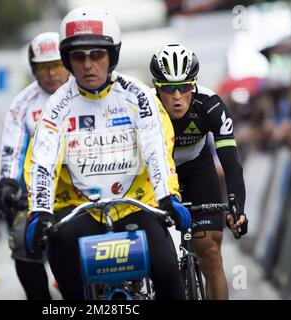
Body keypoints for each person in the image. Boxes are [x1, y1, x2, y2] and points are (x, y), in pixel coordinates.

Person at [24, 6, 191, 300]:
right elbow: (43, 161)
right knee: (60, 253)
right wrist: (39, 211)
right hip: (79, 207)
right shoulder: (57, 106)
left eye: (97, 55)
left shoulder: (138, 95)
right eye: (79, 56)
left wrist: (168, 196)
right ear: (68, 60)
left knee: (168, 274)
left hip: (136, 204)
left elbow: (156, 147)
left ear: (111, 56)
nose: (88, 65)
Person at [150, 43, 248, 299]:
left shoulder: (211, 105)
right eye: (169, 89)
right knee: (156, 259)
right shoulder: (144, 108)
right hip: (158, 175)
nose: (177, 96)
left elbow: (232, 165)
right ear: (156, 86)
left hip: (198, 170)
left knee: (211, 253)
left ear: (194, 84)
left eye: (184, 87)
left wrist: (237, 208)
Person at [0, 32, 69, 300]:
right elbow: (11, 150)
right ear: (33, 70)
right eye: (43, 68)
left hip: (88, 190)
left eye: (56, 65)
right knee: (22, 237)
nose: (50, 74)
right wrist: (8, 183)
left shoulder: (87, 91)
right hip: (38, 195)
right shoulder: (21, 105)